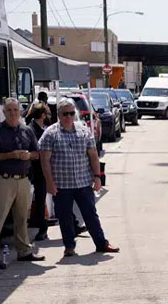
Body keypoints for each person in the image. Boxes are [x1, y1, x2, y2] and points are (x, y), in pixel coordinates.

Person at [39, 98, 119, 258]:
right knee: (65, 216)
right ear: (59, 114)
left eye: (71, 113)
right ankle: (69, 246)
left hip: (83, 182)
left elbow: (93, 156)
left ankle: (101, 243)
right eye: (65, 114)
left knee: (90, 214)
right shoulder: (50, 134)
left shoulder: (84, 131)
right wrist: (49, 183)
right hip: (61, 185)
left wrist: (97, 177)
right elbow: (45, 161)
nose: (69, 116)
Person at [0, 98, 45, 269]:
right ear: (3, 113)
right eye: (9, 110)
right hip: (3, 179)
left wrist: (28, 155)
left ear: (20, 111)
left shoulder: (27, 130)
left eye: (15, 110)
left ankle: (24, 251)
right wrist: (11, 155)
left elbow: (36, 153)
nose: (13, 113)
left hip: (23, 180)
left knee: (22, 218)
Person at [27, 102, 51, 242]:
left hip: (44, 169)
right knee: (41, 199)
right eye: (47, 113)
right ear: (42, 115)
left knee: (57, 196)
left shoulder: (42, 127)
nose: (48, 115)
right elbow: (38, 150)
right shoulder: (32, 130)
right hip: (37, 170)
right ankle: (42, 229)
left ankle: (73, 224)